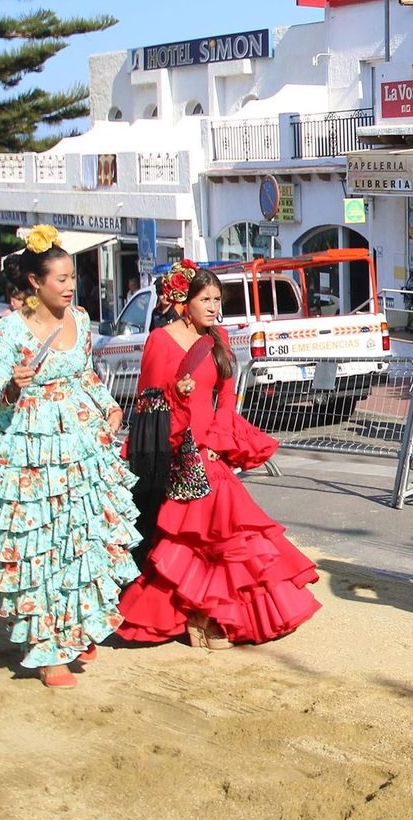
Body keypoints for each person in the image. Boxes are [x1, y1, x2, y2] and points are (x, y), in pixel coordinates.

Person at [118, 262, 320, 649]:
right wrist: (178, 397)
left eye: (216, 300)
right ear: (184, 302)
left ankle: (207, 617)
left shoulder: (219, 338)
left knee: (222, 535)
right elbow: (149, 404)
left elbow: (227, 398)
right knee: (195, 537)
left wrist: (217, 440)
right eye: (205, 299)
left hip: (210, 448)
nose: (213, 307)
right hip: (178, 450)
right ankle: (200, 618)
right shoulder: (160, 340)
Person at [0, 225, 139, 688]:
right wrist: (13, 385)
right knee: (41, 544)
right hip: (33, 447)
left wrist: (108, 406)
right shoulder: (9, 329)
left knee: (81, 536)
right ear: (35, 282)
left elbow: (85, 374)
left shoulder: (82, 320)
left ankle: (76, 624)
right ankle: (47, 647)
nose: (70, 286)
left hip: (82, 442)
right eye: (61, 278)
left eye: (72, 278)